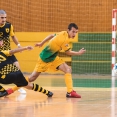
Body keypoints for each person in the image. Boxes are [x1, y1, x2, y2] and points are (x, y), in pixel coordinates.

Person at [27, 23, 86, 98]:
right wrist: (78, 53)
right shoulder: (64, 39)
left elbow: (51, 35)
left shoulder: (63, 33)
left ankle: (70, 92)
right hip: (44, 59)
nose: (74, 34)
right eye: (73, 32)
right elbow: (68, 52)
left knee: (68, 69)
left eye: (76, 32)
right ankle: (14, 87)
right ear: (68, 30)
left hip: (53, 58)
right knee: (32, 78)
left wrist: (41, 43)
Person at [0, 9, 26, 94]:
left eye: (5, 17)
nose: (4, 19)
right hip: (1, 55)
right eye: (2, 18)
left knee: (17, 67)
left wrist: (19, 45)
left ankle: (19, 86)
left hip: (9, 52)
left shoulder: (8, 25)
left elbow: (13, 36)